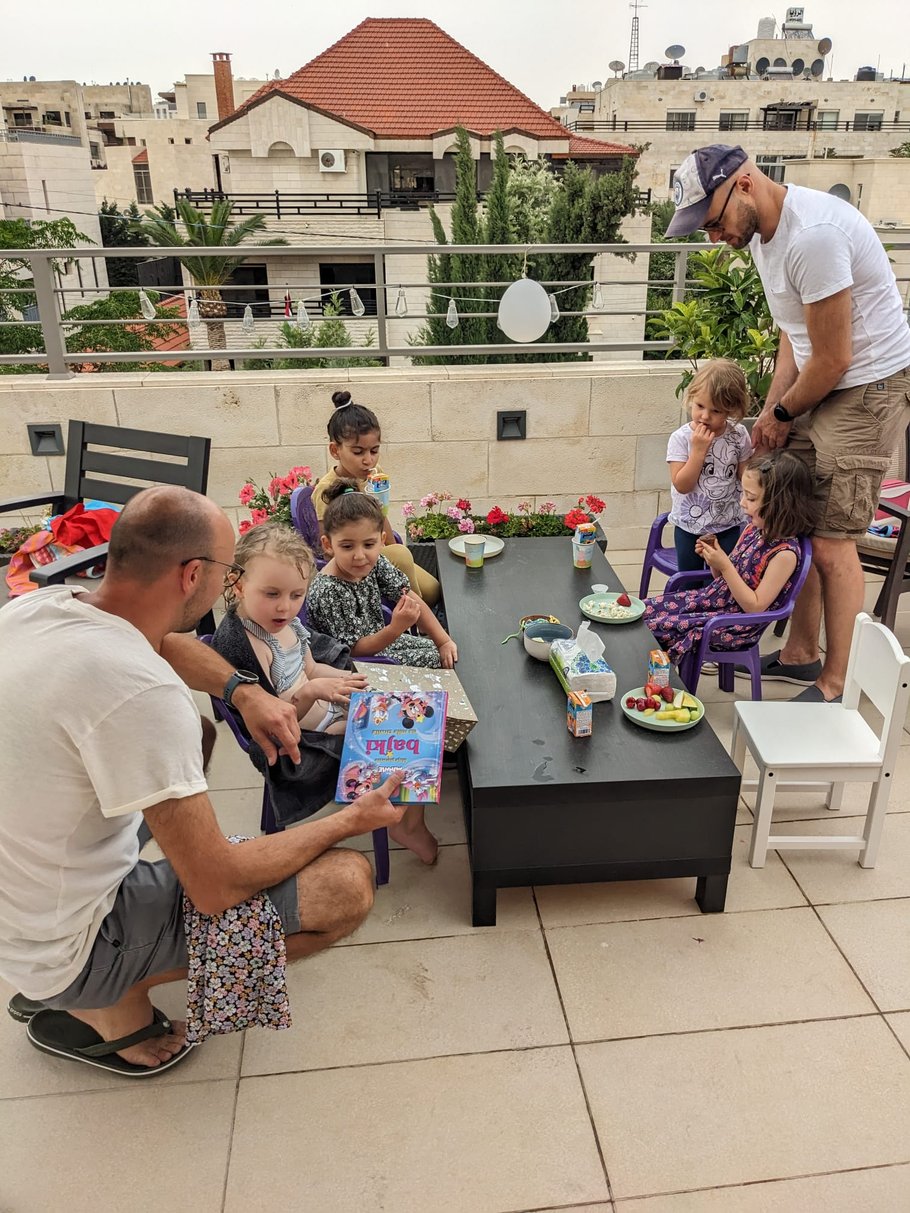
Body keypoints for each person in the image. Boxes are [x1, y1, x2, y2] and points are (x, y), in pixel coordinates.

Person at [0, 486, 405, 1077]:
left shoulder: (41, 607)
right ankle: (104, 996)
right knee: (346, 884)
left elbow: (166, 642)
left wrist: (244, 692)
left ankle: (86, 972)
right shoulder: (142, 696)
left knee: (200, 734)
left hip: (18, 892)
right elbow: (216, 885)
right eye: (226, 570)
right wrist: (350, 819)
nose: (226, 581)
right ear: (194, 575)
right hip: (60, 941)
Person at [666, 144, 910, 702]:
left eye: (714, 222)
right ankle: (801, 654)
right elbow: (792, 335)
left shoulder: (813, 237)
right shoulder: (761, 236)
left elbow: (834, 358)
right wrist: (769, 414)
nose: (715, 237)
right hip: (820, 379)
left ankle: (837, 682)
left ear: (743, 184)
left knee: (831, 538)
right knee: (788, 516)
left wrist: (783, 414)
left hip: (867, 385)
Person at [644, 452, 818, 669]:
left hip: (734, 626)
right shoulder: (753, 530)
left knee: (655, 629)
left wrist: (725, 566)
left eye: (751, 498)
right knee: (643, 611)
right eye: (743, 494)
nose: (742, 503)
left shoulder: (785, 554)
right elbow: (725, 577)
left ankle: (652, 677)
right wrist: (715, 560)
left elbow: (755, 607)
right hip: (712, 602)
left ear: (781, 504)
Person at [217, 520, 365, 734]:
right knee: (368, 734)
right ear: (239, 586)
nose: (285, 607)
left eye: (296, 595)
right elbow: (274, 721)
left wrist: (352, 680)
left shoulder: (290, 626)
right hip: (313, 734)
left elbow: (312, 670)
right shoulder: (251, 645)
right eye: (272, 594)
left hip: (331, 709)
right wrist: (311, 691)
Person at [308, 480, 458, 671]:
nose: (360, 555)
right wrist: (395, 628)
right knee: (443, 661)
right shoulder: (329, 590)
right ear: (328, 545)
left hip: (382, 642)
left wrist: (443, 641)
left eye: (369, 544)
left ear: (381, 541)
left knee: (448, 650)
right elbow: (352, 650)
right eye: (347, 546)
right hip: (353, 665)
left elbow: (409, 596)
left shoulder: (375, 562)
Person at [311, 390, 442, 606]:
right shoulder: (326, 490)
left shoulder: (374, 474)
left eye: (374, 451)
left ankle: (417, 606)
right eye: (358, 452)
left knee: (434, 590)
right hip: (355, 562)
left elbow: (381, 514)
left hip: (379, 550)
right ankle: (415, 616)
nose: (368, 460)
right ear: (335, 450)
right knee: (402, 558)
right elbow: (328, 549)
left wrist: (392, 546)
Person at [667, 359, 752, 571]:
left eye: (716, 411)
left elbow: (746, 477)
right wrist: (698, 451)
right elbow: (682, 485)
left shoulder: (738, 435)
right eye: (699, 406)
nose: (705, 416)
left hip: (728, 525)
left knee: (723, 579)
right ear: (691, 398)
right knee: (690, 581)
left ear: (731, 410)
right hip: (690, 527)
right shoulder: (681, 438)